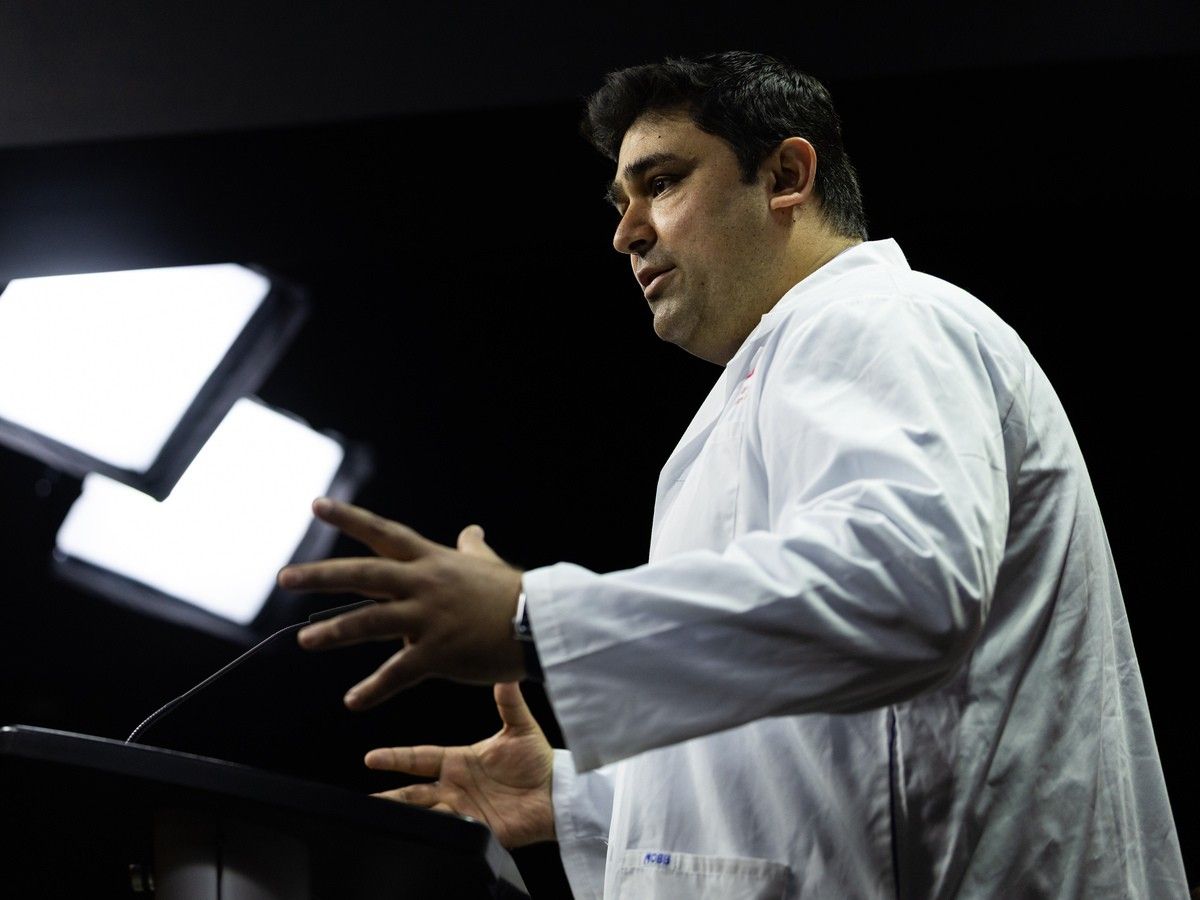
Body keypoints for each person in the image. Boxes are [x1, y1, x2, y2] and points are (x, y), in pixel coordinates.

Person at [277, 52, 1189, 898]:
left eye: (662, 184)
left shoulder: (877, 319)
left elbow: (905, 590)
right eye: (619, 202)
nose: (626, 234)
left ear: (786, 177)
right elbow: (825, 737)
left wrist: (533, 622)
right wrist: (575, 798)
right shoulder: (781, 371)